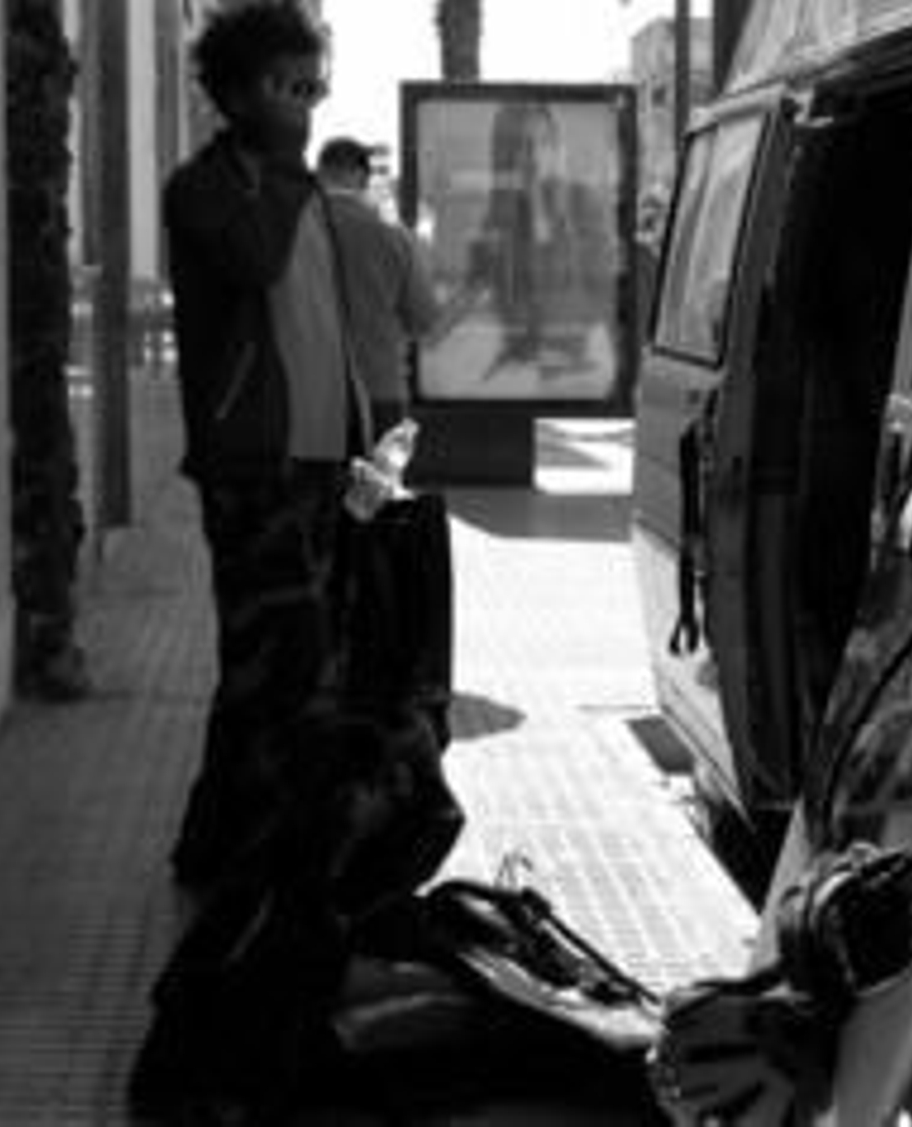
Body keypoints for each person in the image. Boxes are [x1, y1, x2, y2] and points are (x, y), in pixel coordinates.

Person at [161, 0, 357, 889]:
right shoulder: (208, 188)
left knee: (271, 665)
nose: (304, 107)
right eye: (286, 87)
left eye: (312, 86)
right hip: (251, 466)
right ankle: (270, 861)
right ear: (235, 93)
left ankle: (222, 847)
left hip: (315, 462)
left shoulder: (300, 188)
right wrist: (282, 171)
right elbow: (250, 262)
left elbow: (318, 321)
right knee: (287, 666)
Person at [472, 101, 617, 379]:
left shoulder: (580, 200)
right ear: (505, 154)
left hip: (575, 361)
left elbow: (603, 289)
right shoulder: (500, 211)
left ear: (558, 145)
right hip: (521, 361)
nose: (535, 155)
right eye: (521, 145)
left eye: (545, 142)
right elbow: (490, 292)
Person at [316, 135, 441, 434]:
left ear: (319, 173)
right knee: (376, 480)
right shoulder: (394, 237)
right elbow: (423, 319)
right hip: (380, 389)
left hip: (309, 391)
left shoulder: (293, 231)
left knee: (315, 481)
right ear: (363, 177)